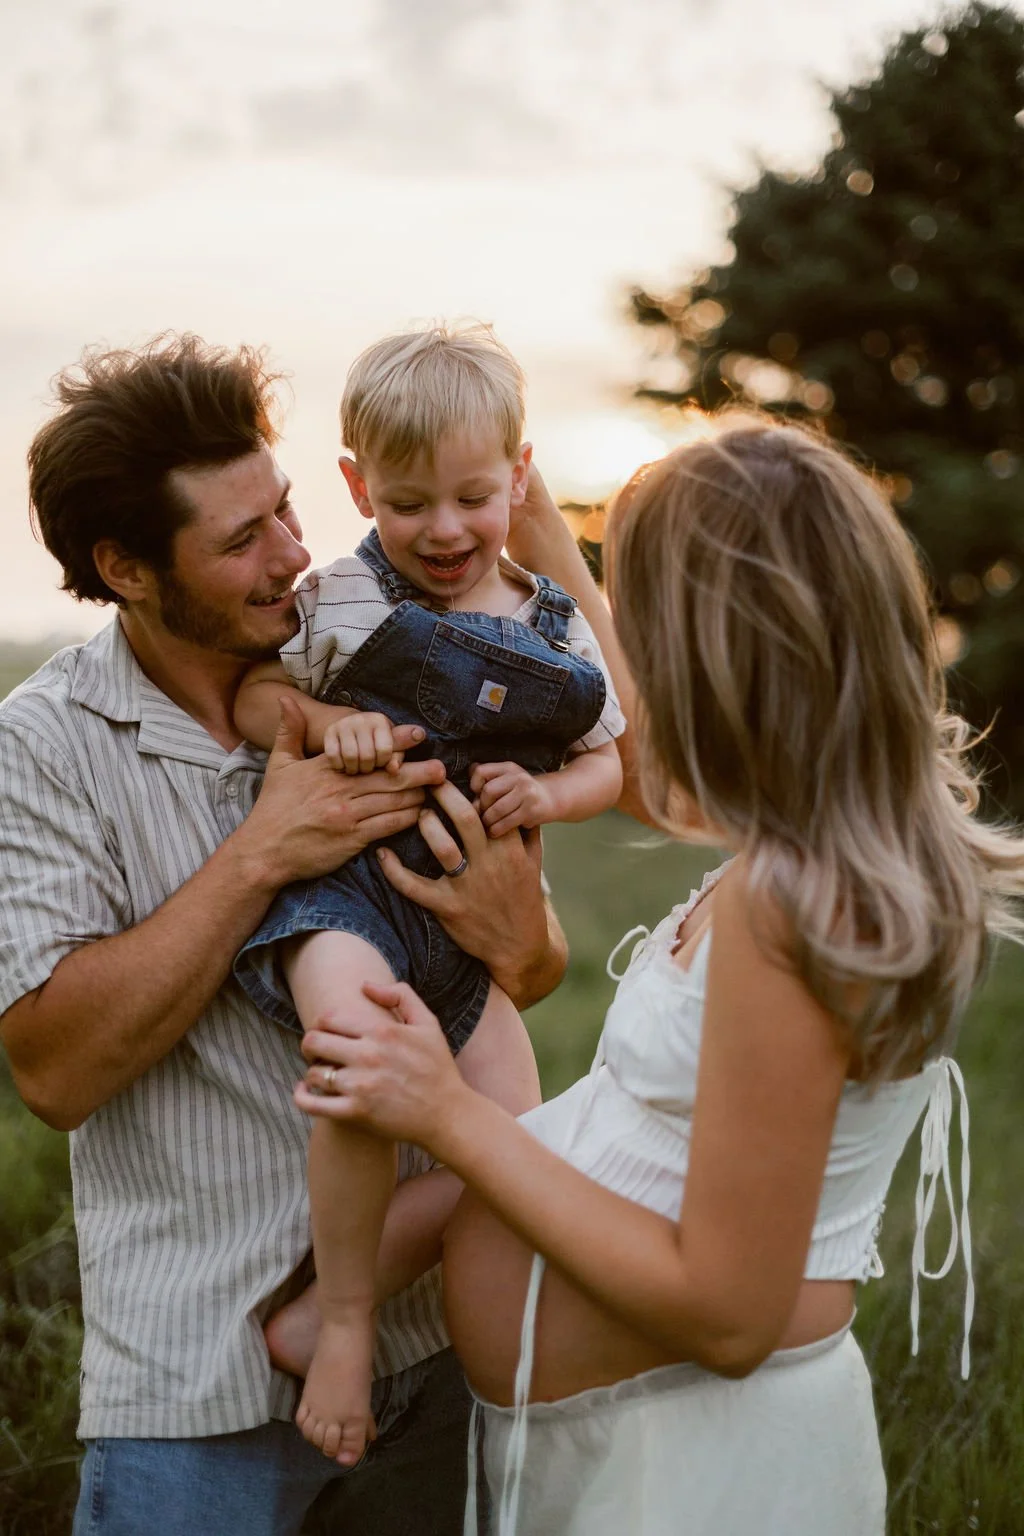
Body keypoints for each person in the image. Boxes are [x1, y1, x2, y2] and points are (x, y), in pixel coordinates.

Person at [292, 413, 1024, 1535]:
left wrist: (444, 1114)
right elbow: (662, 780)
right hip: (632, 1441)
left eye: (639, 611)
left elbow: (727, 1315)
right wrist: (562, 555)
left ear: (715, 645)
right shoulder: (815, 842)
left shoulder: (802, 901)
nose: (614, 642)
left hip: (688, 1468)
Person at [0, 333, 621, 1536]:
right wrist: (263, 856)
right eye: (242, 541)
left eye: (285, 511)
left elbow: (519, 971)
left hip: (444, 1343)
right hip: (199, 1382)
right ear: (127, 568)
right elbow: (55, 1071)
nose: (293, 554)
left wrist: (524, 942)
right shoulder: (43, 746)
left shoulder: (385, 649)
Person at [229, 323, 625, 1469]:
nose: (443, 530)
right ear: (358, 487)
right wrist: (316, 723)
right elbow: (258, 697)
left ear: (518, 475)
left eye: (471, 497)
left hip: (468, 937)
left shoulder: (550, 626)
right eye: (407, 503)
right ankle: (345, 1327)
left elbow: (608, 756)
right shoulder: (342, 600)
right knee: (354, 1051)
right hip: (347, 903)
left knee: (513, 1152)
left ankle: (337, 1316)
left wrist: (551, 801)